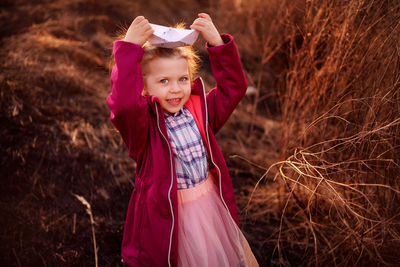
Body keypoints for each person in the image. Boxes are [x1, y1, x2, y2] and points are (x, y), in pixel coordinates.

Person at [107, 13, 259, 267]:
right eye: (163, 81)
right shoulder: (144, 129)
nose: (176, 89)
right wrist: (128, 49)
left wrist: (218, 44)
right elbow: (123, 106)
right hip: (172, 220)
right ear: (143, 88)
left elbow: (234, 88)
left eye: (183, 79)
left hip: (210, 210)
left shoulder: (200, 111)